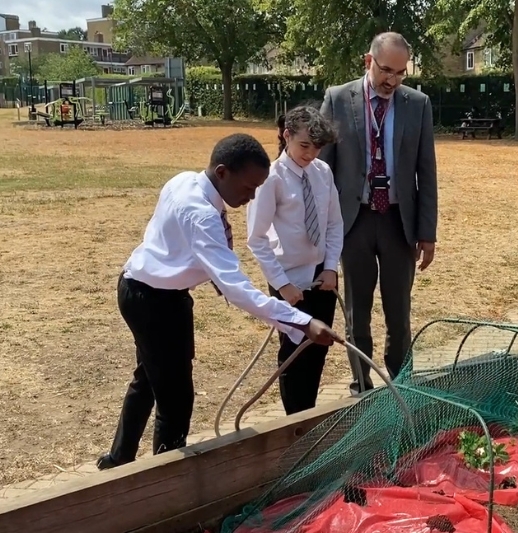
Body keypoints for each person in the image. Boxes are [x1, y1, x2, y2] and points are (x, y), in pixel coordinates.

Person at [97, 133, 342, 471]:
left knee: (150, 378)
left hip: (154, 290)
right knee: (176, 399)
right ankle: (164, 480)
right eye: (248, 188)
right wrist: (302, 321)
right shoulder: (202, 216)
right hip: (151, 300)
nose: (252, 196)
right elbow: (237, 289)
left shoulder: (184, 180)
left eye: (258, 188)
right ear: (223, 172)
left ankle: (118, 460)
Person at [319, 32, 438, 394]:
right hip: (352, 220)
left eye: (401, 73)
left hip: (398, 221)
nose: (393, 80)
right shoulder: (338, 99)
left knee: (399, 311)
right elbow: (322, 169)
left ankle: (402, 384)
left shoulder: (417, 104)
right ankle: (361, 383)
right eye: (386, 70)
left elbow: (426, 171)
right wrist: (322, 230)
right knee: (357, 311)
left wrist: (427, 232)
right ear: (368, 61)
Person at [246, 105, 342, 415]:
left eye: (317, 147)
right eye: (304, 145)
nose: (311, 153)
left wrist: (330, 268)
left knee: (318, 346)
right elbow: (256, 238)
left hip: (320, 278)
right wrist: (282, 284)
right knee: (293, 351)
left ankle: (309, 413)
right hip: (288, 279)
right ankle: (293, 420)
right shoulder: (271, 179)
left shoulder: (323, 173)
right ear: (286, 135)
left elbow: (333, 224)